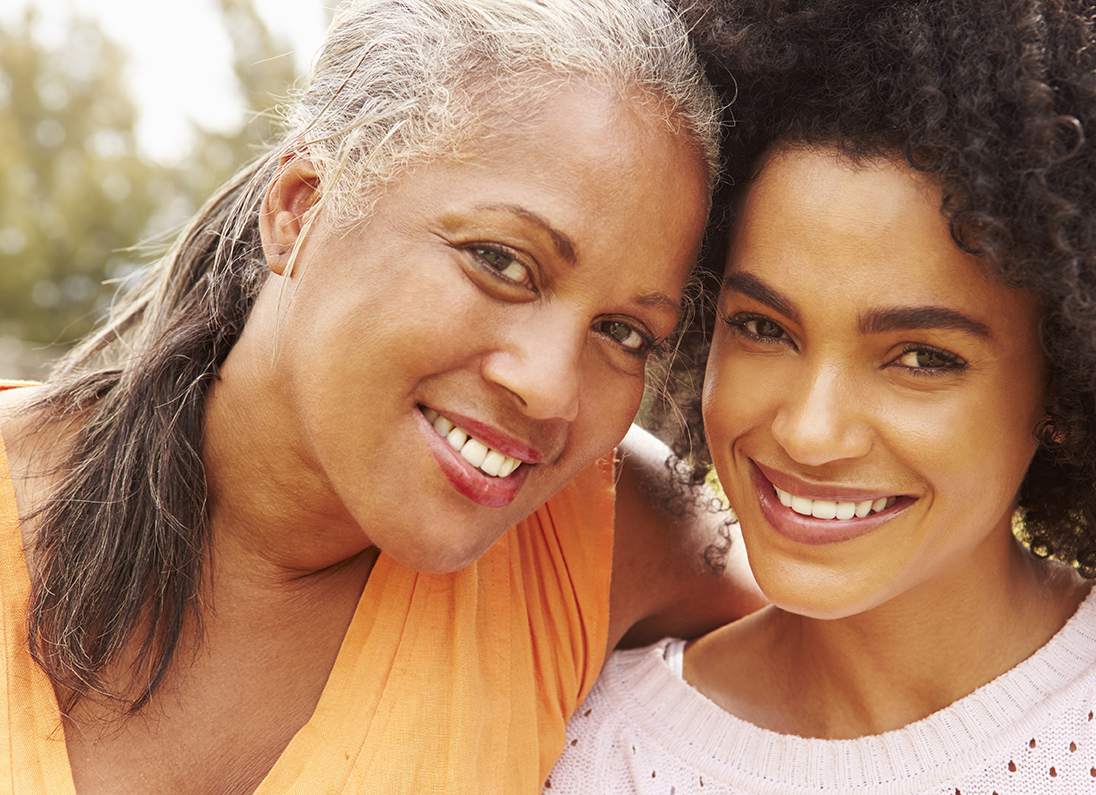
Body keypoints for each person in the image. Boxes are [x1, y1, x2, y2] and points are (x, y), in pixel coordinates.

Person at [0, 0, 765, 792]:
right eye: (501, 261)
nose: (549, 390)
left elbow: (863, 634)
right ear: (300, 206)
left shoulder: (596, 533)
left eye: (625, 331)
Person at [547, 0, 1096, 792]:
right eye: (765, 328)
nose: (811, 433)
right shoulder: (597, 759)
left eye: (920, 356)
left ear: (1072, 385)